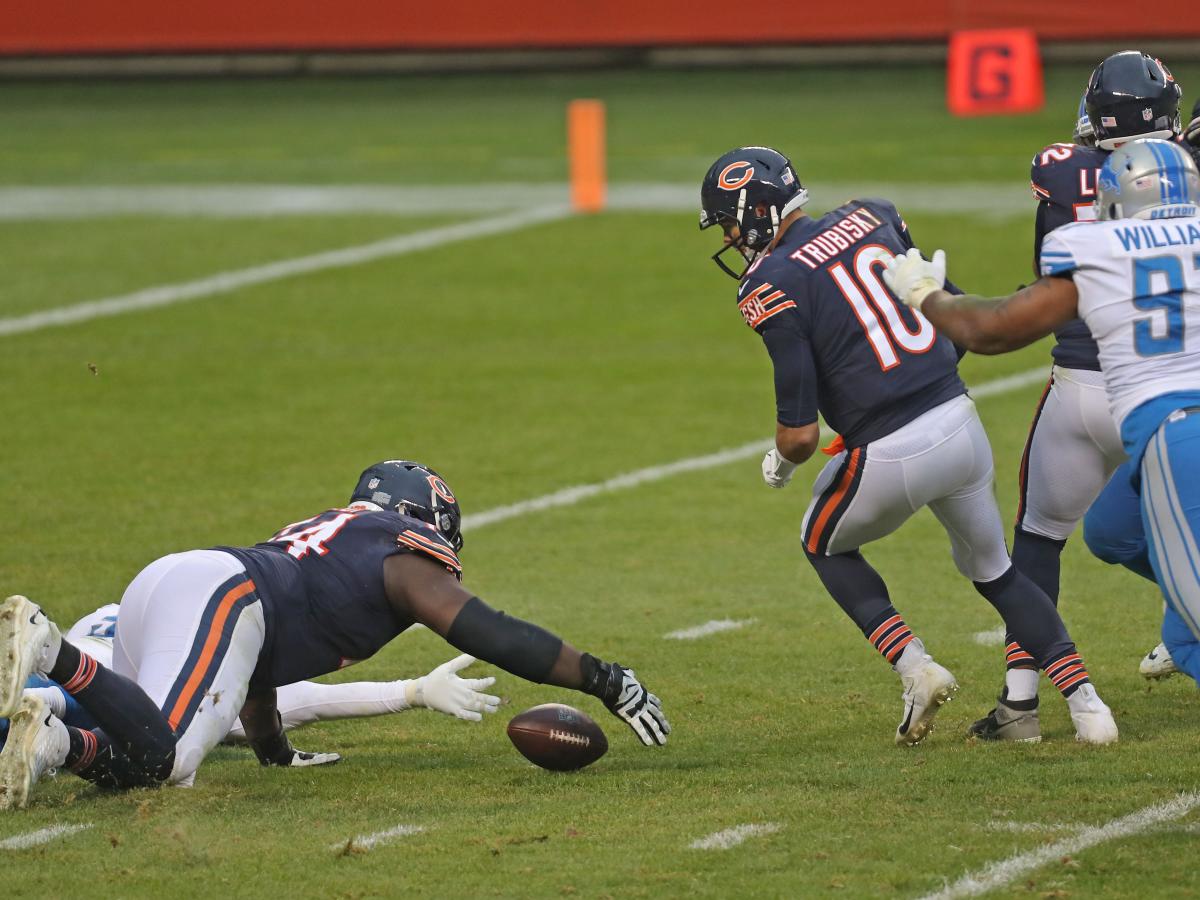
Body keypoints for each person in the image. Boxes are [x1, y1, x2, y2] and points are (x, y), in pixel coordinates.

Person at [698, 147, 1117, 747]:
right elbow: (957, 319)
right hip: (960, 423)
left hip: (888, 453)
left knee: (821, 543)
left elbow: (799, 434)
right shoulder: (874, 213)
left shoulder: (770, 282)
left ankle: (915, 667)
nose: (735, 238)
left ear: (759, 210)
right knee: (997, 571)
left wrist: (785, 463)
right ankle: (1088, 706)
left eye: (734, 223)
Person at [0, 460, 668, 809]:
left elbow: (253, 666)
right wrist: (603, 677)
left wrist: (273, 750)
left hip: (185, 582)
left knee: (149, 755)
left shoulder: (336, 539)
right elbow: (493, 633)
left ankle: (55, 741)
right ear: (424, 519)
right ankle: (49, 648)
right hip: (223, 596)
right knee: (169, 759)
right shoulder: (400, 553)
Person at [882, 138, 1200, 696]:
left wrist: (925, 295)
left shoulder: (1101, 249)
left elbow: (993, 328)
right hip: (1163, 435)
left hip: (1177, 430)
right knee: (1111, 530)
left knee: (1195, 624)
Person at [986, 52, 1189, 736]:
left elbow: (1054, 280)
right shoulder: (1184, 173)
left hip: (1078, 384)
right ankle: (1185, 613)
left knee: (1039, 543)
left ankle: (1020, 703)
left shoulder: (1060, 169)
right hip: (1163, 389)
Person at [0, 604, 502, 752]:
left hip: (79, 649)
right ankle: (56, 730)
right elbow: (313, 700)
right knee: (154, 741)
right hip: (96, 680)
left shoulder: (135, 604)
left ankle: (53, 718)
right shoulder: (230, 664)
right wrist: (410, 691)